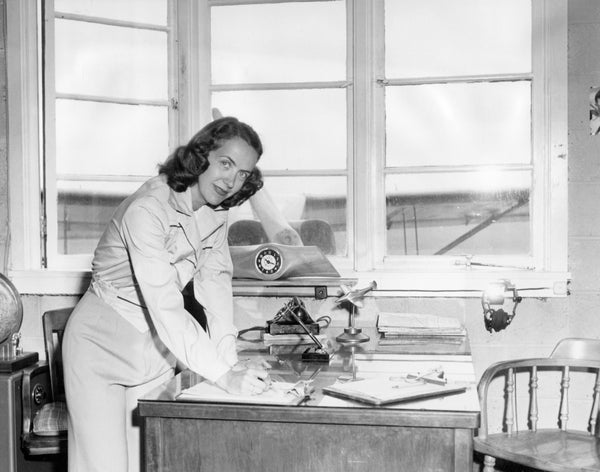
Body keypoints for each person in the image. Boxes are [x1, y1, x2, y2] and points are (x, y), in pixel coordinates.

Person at [62, 116, 272, 472]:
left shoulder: (214, 216)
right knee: (106, 467)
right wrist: (223, 374)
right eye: (225, 163)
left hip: (157, 349)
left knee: (154, 462)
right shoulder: (146, 208)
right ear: (201, 155)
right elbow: (165, 304)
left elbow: (216, 292)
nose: (231, 181)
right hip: (99, 349)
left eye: (243, 174)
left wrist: (231, 365)